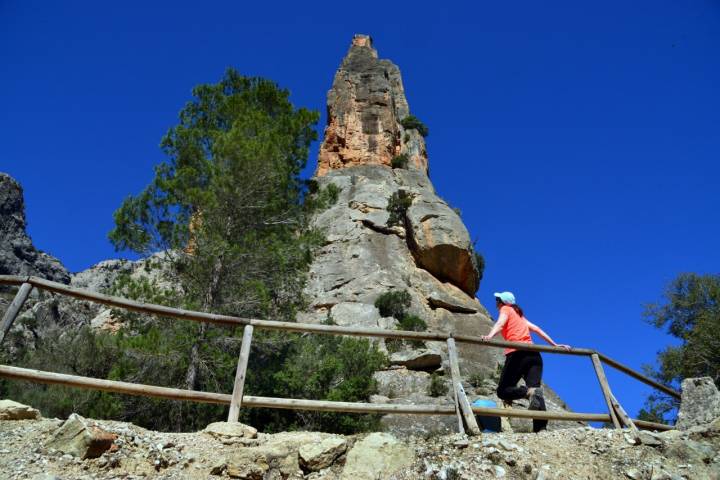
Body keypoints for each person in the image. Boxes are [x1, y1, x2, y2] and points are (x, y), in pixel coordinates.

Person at [481, 291, 570, 432]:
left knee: (503, 391)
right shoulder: (520, 316)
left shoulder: (506, 309)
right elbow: (537, 329)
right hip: (534, 355)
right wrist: (554, 344)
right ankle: (540, 429)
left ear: (502, 302)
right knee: (536, 391)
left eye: (497, 300)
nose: (496, 303)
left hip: (517, 354)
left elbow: (500, 323)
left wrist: (489, 335)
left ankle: (527, 392)